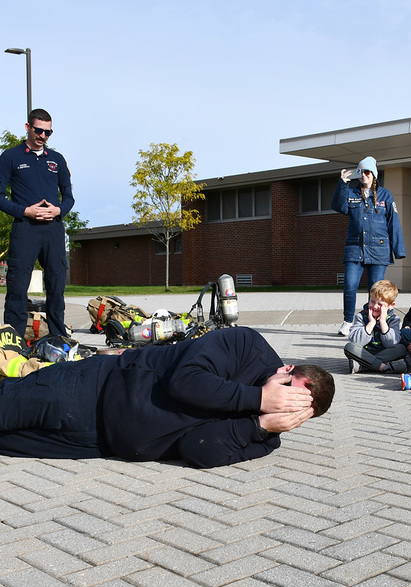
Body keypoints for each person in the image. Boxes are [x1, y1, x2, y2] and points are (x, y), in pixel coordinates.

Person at [0, 328, 334, 469]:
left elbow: (196, 449)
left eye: (298, 411)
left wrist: (258, 427)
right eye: (291, 394)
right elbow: (186, 381)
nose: (285, 405)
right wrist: (258, 398)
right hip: (91, 391)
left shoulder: (266, 434)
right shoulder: (245, 345)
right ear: (286, 369)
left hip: (96, 442)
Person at [0, 109, 74, 338]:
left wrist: (59, 209)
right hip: (25, 229)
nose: (43, 136)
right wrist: (25, 211)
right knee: (17, 289)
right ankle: (12, 343)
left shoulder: (57, 159)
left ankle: (58, 340)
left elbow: (69, 196)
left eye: (48, 132)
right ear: (28, 127)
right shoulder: (10, 157)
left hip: (53, 230)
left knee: (56, 288)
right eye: (38, 130)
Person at [332, 156, 406, 336]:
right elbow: (338, 206)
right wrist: (342, 184)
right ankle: (348, 321)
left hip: (379, 251)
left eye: (367, 172)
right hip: (354, 249)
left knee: (376, 290)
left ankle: (371, 322)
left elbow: (393, 223)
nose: (364, 175)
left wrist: (399, 250)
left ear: (373, 174)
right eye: (361, 172)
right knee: (349, 285)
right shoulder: (352, 194)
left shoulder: (385, 195)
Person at [343, 279, 402, 373]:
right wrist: (370, 324)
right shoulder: (361, 316)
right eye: (373, 301)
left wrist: (383, 322)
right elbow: (356, 341)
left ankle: (363, 365)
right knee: (350, 347)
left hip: (385, 353)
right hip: (364, 352)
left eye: (380, 304)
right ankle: (383, 367)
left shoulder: (394, 319)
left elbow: (392, 343)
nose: (375, 306)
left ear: (391, 305)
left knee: (401, 349)